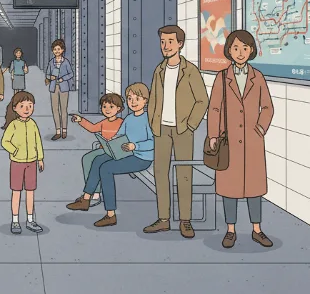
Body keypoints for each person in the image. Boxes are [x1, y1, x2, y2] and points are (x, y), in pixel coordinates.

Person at [207, 30, 275, 249]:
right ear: (229, 50)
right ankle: (231, 230)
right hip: (229, 142)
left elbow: (267, 107)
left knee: (254, 189)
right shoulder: (222, 77)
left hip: (253, 141)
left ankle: (257, 229)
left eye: (245, 48)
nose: (240, 52)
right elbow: (214, 108)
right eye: (235, 48)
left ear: (252, 50)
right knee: (230, 188)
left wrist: (260, 129)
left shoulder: (258, 77)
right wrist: (213, 135)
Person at [143, 24, 209, 239]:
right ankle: (163, 219)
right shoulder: (159, 69)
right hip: (161, 129)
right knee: (160, 173)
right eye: (162, 42)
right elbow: (153, 99)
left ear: (180, 44)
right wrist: (153, 122)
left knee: (184, 174)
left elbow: (202, 100)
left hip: (182, 130)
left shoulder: (190, 71)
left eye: (170, 42)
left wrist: (191, 124)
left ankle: (185, 220)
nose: (165, 46)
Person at [66, 85, 154, 227]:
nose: (133, 102)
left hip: (142, 158)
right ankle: (86, 199)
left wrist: (135, 146)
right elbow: (120, 134)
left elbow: (154, 142)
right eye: (130, 98)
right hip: (126, 153)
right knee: (97, 160)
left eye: (137, 99)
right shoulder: (129, 118)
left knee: (106, 169)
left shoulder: (148, 119)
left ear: (146, 100)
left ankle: (110, 214)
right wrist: (113, 141)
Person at [0, 91, 44, 235]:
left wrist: (40, 158)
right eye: (23, 106)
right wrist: (14, 151)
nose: (27, 109)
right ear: (15, 108)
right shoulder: (13, 125)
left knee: (30, 192)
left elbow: (38, 141)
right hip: (17, 163)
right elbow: (5, 141)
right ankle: (15, 220)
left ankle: (30, 219)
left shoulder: (33, 124)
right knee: (17, 192)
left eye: (30, 106)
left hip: (31, 162)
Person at [71, 93, 125, 207]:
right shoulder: (104, 122)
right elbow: (92, 128)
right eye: (104, 107)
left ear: (118, 108)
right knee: (87, 158)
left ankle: (94, 194)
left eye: (111, 107)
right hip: (104, 149)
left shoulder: (121, 122)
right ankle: (95, 192)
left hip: (116, 151)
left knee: (96, 161)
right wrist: (80, 120)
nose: (107, 110)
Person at [44, 39, 74, 140]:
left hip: (64, 87)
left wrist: (62, 79)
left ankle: (64, 130)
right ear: (53, 51)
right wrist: (50, 77)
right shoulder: (51, 62)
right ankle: (57, 131)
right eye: (55, 49)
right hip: (53, 87)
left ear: (62, 50)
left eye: (59, 49)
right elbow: (47, 73)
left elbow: (71, 74)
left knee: (64, 109)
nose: (57, 51)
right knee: (55, 109)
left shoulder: (66, 62)